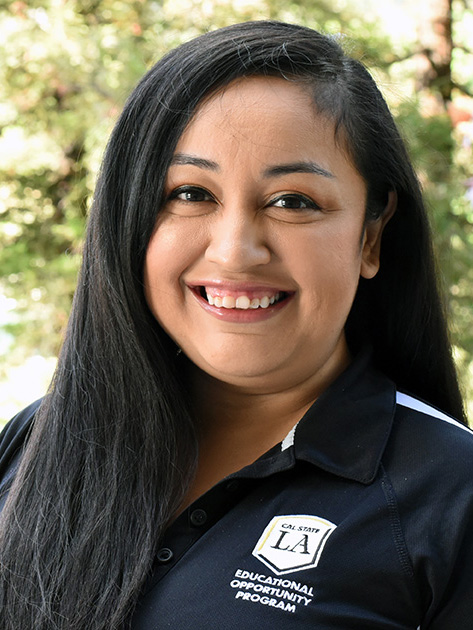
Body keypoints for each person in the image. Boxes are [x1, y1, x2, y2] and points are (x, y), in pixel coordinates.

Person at [0, 20, 472, 630]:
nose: (234, 252)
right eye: (191, 193)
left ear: (371, 235)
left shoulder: (451, 498)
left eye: (293, 201)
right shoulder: (34, 441)